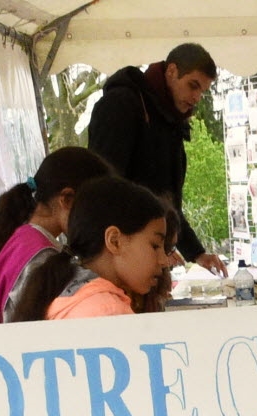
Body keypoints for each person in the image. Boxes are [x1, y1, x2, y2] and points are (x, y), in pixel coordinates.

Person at [86, 41, 227, 275]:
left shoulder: (170, 119)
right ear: (171, 71)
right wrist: (150, 248)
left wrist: (196, 253)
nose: (196, 98)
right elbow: (106, 189)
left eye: (202, 91)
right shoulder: (122, 104)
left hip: (143, 252)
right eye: (193, 85)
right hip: (119, 256)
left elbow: (169, 202)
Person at [0, 147, 114, 325]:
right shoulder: (38, 254)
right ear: (66, 199)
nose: (100, 221)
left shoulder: (24, 239)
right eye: (95, 209)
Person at [5, 177, 172, 321]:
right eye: (155, 246)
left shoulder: (67, 295)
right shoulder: (109, 313)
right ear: (114, 241)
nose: (164, 261)